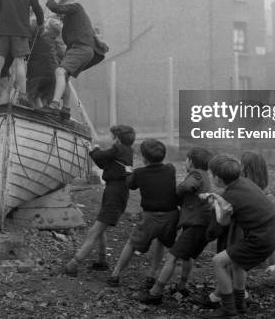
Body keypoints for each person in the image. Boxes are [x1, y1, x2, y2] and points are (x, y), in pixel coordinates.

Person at [201, 155, 275, 318]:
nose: (210, 176)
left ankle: (229, 309)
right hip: (271, 233)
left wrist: (208, 232)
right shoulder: (245, 183)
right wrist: (217, 201)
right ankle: (240, 304)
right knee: (236, 264)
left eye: (211, 174)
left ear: (217, 177)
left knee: (218, 261)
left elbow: (220, 225)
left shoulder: (230, 196)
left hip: (260, 238)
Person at [138, 146, 213, 305]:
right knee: (188, 256)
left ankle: (155, 293)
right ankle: (182, 285)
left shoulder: (196, 174)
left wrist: (177, 192)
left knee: (172, 256)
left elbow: (188, 186)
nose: (185, 163)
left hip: (195, 224)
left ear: (191, 161)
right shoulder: (206, 175)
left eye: (186, 160)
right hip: (203, 224)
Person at [64, 124, 135, 277]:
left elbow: (99, 157)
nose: (111, 138)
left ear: (117, 139)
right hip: (117, 192)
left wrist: (92, 149)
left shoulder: (117, 149)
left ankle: (73, 264)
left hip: (114, 194)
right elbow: (103, 163)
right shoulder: (127, 151)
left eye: (112, 136)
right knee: (101, 227)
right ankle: (102, 261)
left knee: (94, 231)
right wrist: (94, 151)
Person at [106, 139, 179, 288]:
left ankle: (115, 274)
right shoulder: (170, 169)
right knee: (162, 242)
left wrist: (128, 173)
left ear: (144, 158)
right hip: (171, 215)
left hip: (150, 217)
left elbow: (131, 185)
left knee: (132, 243)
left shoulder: (139, 173)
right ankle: (151, 275)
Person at [43, 0, 108, 120]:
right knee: (65, 77)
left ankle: (54, 105)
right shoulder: (73, 21)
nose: (61, 17)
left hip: (81, 48)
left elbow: (56, 8)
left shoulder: (76, 7)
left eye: (63, 14)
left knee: (60, 71)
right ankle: (66, 109)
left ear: (68, 6)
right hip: (84, 50)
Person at [26, 16, 62, 108]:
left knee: (29, 96)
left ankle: (36, 113)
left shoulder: (36, 38)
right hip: (52, 75)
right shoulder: (52, 42)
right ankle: (43, 112)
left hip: (37, 74)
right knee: (39, 96)